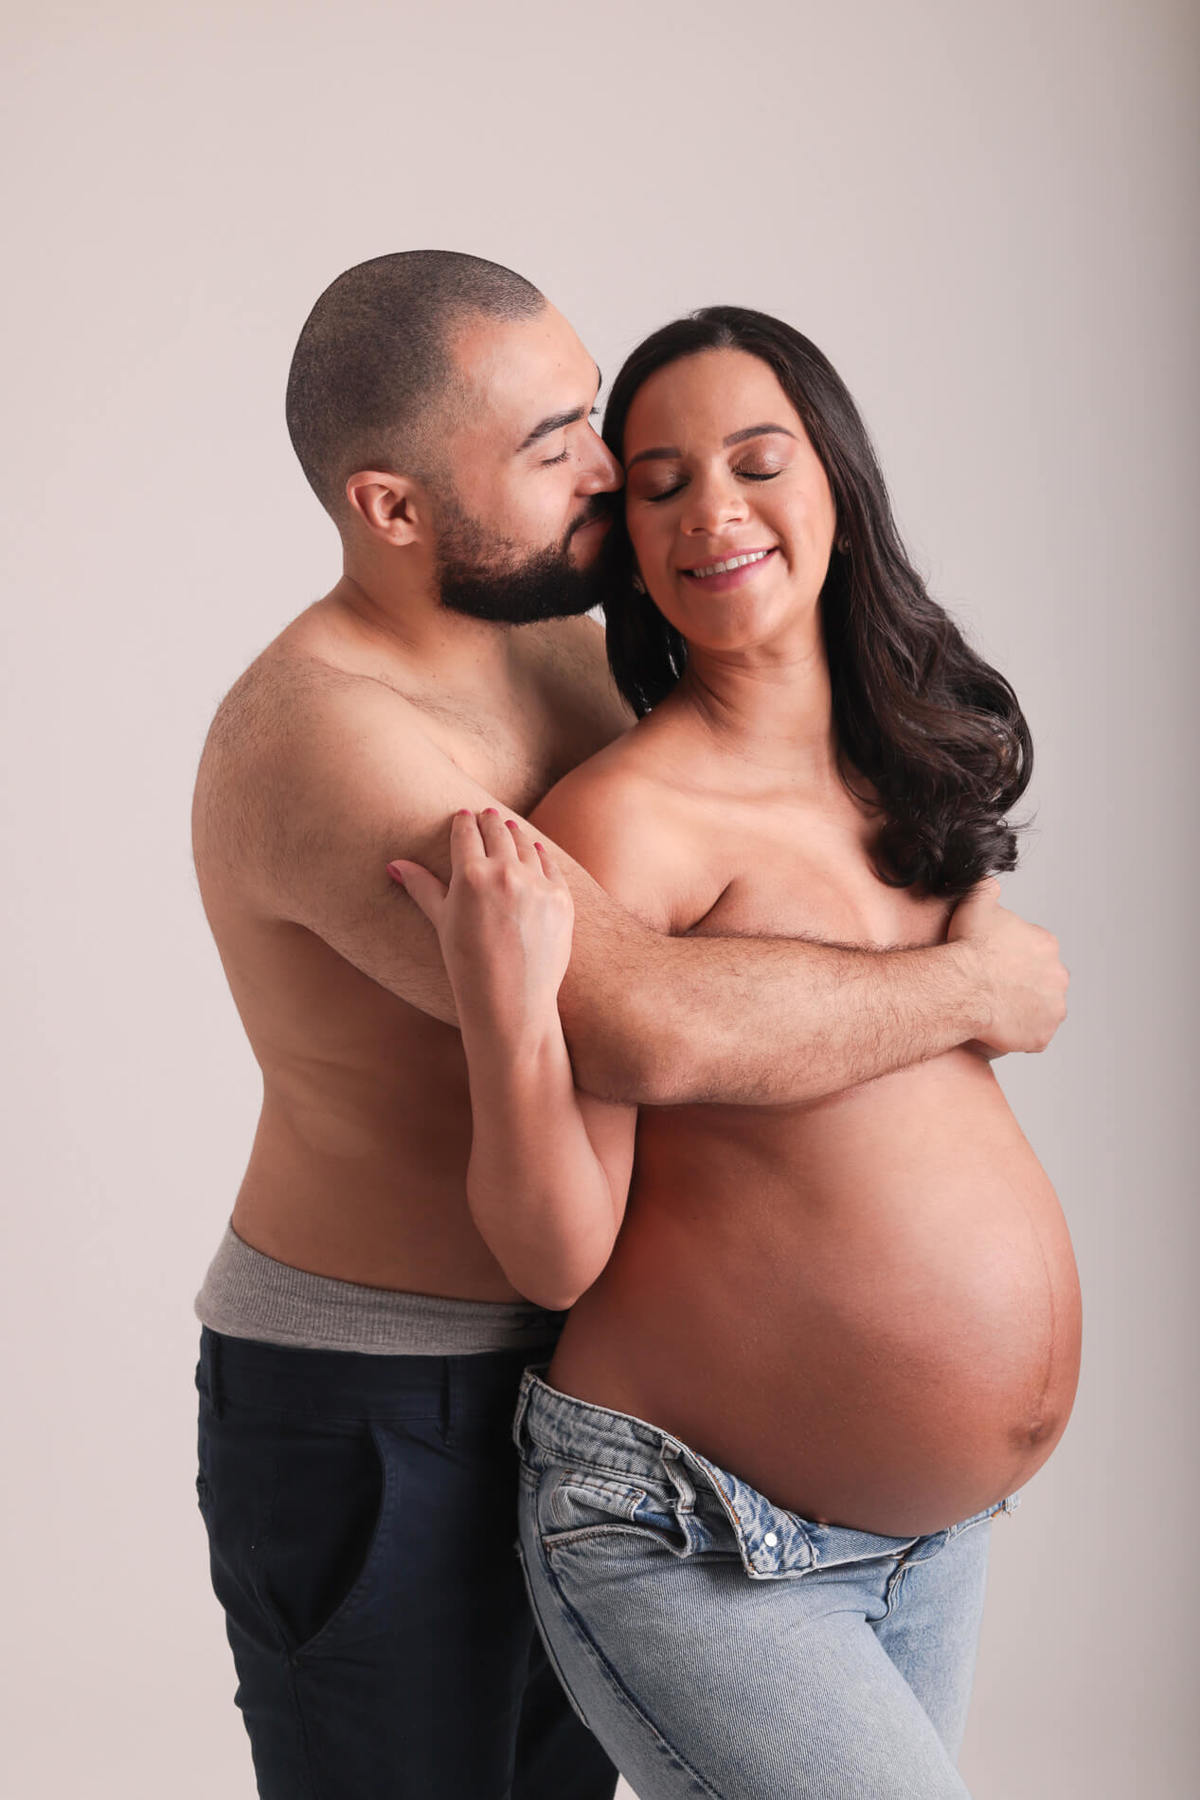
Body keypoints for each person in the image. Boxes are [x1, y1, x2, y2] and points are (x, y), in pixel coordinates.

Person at [191, 255, 1068, 1800]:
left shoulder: (567, 640)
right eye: (554, 445)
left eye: (590, 415)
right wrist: (975, 991)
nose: (608, 471)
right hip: (388, 1391)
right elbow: (639, 1020)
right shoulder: (328, 736)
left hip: (608, 1376)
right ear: (391, 507)